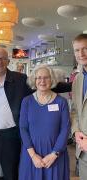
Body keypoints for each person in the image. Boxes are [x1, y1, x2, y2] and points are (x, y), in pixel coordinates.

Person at [0, 48, 72, 180]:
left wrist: (73, 85)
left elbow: (42, 84)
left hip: (10, 135)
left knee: (11, 172)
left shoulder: (20, 79)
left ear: (8, 61)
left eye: (3, 59)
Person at [19, 64, 70, 180]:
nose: (42, 81)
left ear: (52, 79)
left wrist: (54, 154)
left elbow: (65, 129)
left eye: (46, 77)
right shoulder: (26, 101)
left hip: (55, 155)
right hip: (32, 154)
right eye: (39, 78)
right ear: (34, 80)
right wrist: (33, 155)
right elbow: (23, 128)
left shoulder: (61, 102)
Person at [71, 33, 87, 180]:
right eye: (77, 50)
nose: (81, 54)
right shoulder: (78, 79)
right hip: (82, 152)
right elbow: (75, 110)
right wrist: (76, 132)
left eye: (85, 48)